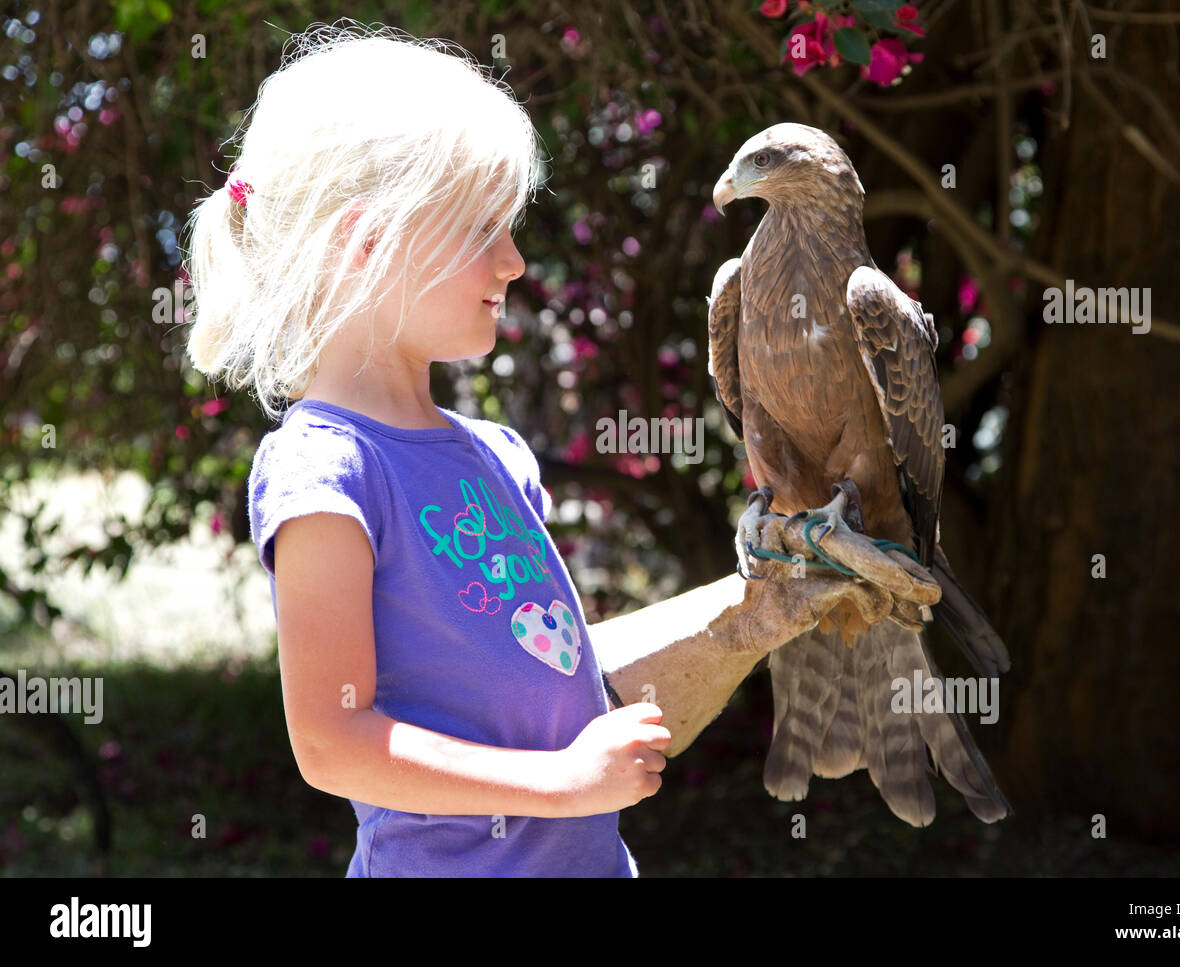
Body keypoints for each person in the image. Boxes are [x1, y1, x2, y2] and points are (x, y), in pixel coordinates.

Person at [183, 23, 923, 877]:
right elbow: (332, 741)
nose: (515, 260)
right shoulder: (326, 469)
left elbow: (567, 689)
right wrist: (564, 783)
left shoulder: (497, 457)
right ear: (369, 242)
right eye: (483, 230)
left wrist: (765, 605)